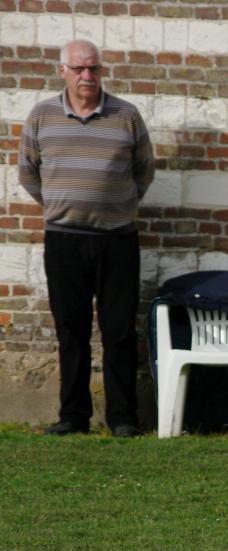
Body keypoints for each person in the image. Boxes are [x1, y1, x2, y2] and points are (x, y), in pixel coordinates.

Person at [19, 39, 155, 437]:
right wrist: (61, 204)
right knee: (71, 330)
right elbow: (28, 172)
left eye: (94, 69)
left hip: (117, 240)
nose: (87, 76)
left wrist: (116, 205)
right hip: (64, 241)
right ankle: (73, 417)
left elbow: (143, 170)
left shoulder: (126, 115)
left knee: (119, 330)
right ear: (62, 71)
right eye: (79, 69)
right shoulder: (42, 116)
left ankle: (123, 418)